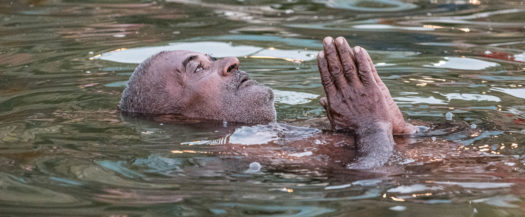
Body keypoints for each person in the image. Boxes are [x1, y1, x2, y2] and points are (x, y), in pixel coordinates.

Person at [119, 36, 416, 169]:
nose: (231, 61)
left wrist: (401, 129)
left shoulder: (274, 136)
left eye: (212, 58)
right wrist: (373, 126)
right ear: (171, 118)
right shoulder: (236, 155)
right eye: (198, 68)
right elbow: (367, 191)